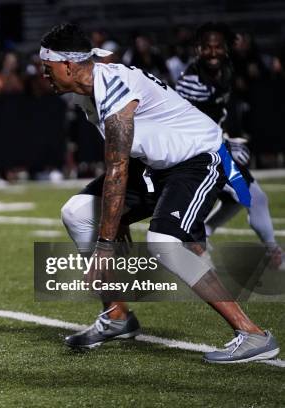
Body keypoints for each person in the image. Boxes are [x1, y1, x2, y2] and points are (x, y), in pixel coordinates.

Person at [40, 23, 279, 363]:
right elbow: (103, 57)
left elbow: (118, 170)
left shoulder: (111, 90)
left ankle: (253, 335)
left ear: (68, 65)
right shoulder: (86, 81)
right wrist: (114, 220)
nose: (43, 75)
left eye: (47, 68)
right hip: (155, 163)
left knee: (164, 243)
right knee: (77, 212)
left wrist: (107, 243)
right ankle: (117, 316)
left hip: (196, 157)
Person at [175, 22, 282, 268]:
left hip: (215, 147)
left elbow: (220, 113)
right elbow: (188, 124)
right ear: (198, 49)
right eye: (207, 48)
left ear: (226, 49)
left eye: (218, 47)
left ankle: (205, 234)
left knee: (238, 198)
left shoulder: (226, 69)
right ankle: (273, 252)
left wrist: (233, 138)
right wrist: (227, 143)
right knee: (253, 197)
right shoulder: (192, 81)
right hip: (199, 151)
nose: (213, 53)